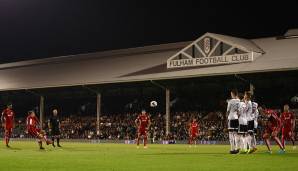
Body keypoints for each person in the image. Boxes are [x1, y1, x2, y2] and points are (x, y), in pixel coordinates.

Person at [226, 89, 240, 154]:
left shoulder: (230, 101)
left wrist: (226, 117)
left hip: (231, 118)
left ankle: (232, 149)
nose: (231, 95)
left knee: (231, 134)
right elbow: (239, 111)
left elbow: (228, 110)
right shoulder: (238, 101)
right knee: (236, 134)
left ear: (233, 94)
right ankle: (237, 148)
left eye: (231, 94)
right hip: (236, 118)